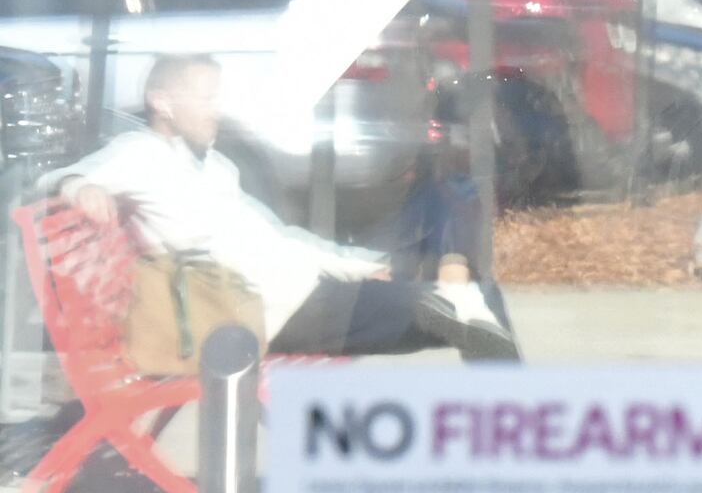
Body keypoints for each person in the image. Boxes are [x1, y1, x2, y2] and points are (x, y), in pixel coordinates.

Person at [48, 54, 516, 359]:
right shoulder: (139, 154)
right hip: (276, 311)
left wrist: (359, 265)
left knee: (450, 238)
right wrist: (77, 187)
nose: (217, 110)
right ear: (161, 101)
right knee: (474, 301)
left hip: (305, 294)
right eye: (206, 98)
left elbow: (280, 238)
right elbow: (55, 180)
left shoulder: (214, 168)